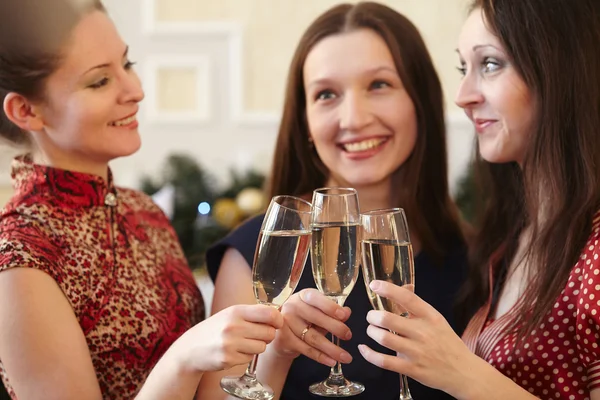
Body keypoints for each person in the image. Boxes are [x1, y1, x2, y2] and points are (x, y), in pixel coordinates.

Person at [0, 1, 284, 399]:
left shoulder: (144, 212)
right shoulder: (21, 260)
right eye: (99, 81)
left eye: (127, 64)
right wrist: (183, 357)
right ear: (26, 110)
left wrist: (280, 348)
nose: (136, 91)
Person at [199, 2, 469, 399]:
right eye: (326, 94)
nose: (354, 118)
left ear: (421, 102)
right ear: (305, 122)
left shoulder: (472, 255)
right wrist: (277, 354)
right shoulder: (259, 252)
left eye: (379, 85)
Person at [358, 0, 600, 399]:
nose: (463, 96)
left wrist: (463, 374)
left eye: (490, 64)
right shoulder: (515, 236)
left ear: (560, 69)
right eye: (463, 68)